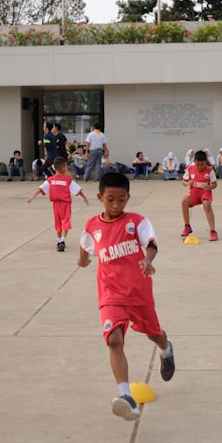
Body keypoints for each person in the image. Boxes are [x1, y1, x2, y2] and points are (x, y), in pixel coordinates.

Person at [77, 172, 175, 421]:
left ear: (128, 198)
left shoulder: (137, 221)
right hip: (110, 294)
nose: (116, 205)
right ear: (100, 197)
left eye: (122, 199)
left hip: (139, 293)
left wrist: (148, 259)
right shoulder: (92, 226)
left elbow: (151, 243)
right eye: (110, 199)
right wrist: (82, 259)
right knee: (114, 340)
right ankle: (125, 395)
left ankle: (166, 349)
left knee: (154, 334)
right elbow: (85, 245)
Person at [27, 156, 89, 251]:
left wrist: (32, 197)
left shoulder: (51, 180)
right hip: (65, 204)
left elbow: (41, 189)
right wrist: (84, 197)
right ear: (64, 168)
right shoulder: (67, 180)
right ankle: (63, 240)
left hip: (55, 204)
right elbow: (77, 190)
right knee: (65, 221)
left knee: (58, 222)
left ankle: (59, 240)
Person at [181, 149, 218, 241]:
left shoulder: (210, 170)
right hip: (194, 192)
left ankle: (212, 231)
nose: (200, 167)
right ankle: (187, 226)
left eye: (202, 165)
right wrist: (187, 183)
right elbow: (183, 181)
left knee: (206, 205)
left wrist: (210, 187)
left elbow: (215, 184)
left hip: (205, 192)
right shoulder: (190, 169)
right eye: (197, 165)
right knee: (184, 201)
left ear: (206, 162)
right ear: (194, 162)